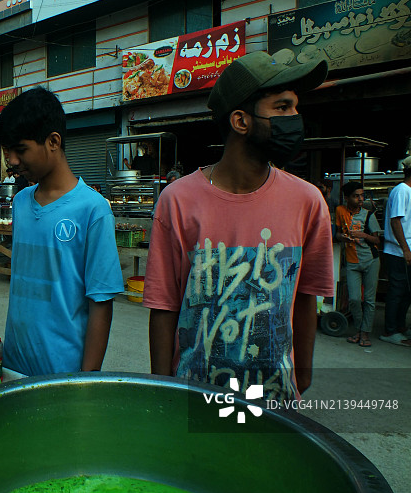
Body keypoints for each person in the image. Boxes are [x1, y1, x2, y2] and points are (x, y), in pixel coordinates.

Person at [143, 51, 333, 402]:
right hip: (193, 397)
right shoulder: (178, 200)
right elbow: (164, 306)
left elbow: (308, 295)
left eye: (295, 108)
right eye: (282, 107)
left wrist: (301, 376)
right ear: (241, 121)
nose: (294, 119)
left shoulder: (308, 202)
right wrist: (163, 391)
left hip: (273, 401)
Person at [0, 87, 124, 376]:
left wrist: (85, 381)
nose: (12, 161)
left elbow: (101, 303)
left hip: (63, 374)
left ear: (53, 141)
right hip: (13, 366)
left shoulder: (93, 210)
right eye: (8, 152)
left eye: (21, 149)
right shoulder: (20, 203)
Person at [334, 181, 382, 348]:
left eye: (362, 195)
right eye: (356, 196)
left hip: (371, 261)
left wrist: (364, 235)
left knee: (369, 300)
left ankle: (364, 333)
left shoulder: (368, 215)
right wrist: (344, 238)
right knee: (354, 299)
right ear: (347, 198)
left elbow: (377, 240)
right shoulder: (340, 211)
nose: (360, 199)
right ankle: (359, 329)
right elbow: (338, 234)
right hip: (352, 262)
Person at [379, 157, 411, 347]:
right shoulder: (401, 191)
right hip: (398, 251)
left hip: (405, 251)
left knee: (406, 292)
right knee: (397, 290)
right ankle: (390, 330)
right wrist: (406, 249)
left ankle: (399, 327)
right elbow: (395, 221)